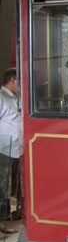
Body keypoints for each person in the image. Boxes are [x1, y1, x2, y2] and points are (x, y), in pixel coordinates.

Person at [0, 68, 23, 231]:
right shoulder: (1, 97)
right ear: (13, 81)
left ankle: (12, 214)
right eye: (19, 82)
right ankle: (3, 217)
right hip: (4, 148)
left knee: (13, 184)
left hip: (17, 148)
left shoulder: (15, 98)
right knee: (4, 184)